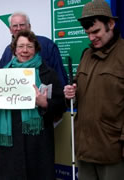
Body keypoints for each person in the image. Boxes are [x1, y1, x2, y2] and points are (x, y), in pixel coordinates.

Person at [0, 30, 66, 180]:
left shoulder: (47, 73)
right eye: (21, 46)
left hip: (38, 144)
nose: (25, 51)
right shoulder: (0, 75)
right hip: (10, 144)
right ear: (14, 50)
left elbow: (60, 106)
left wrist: (45, 103)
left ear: (36, 49)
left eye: (29, 46)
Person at [64, 0, 124, 179]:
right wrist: (70, 93)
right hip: (84, 150)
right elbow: (80, 91)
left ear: (111, 24)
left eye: (96, 31)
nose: (91, 38)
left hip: (112, 151)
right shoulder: (86, 54)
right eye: (87, 33)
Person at [0, 12, 68, 86]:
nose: (18, 28)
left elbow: (59, 74)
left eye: (22, 25)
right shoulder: (8, 50)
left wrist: (63, 93)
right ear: (10, 29)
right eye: (15, 26)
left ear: (29, 26)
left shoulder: (47, 44)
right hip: (15, 95)